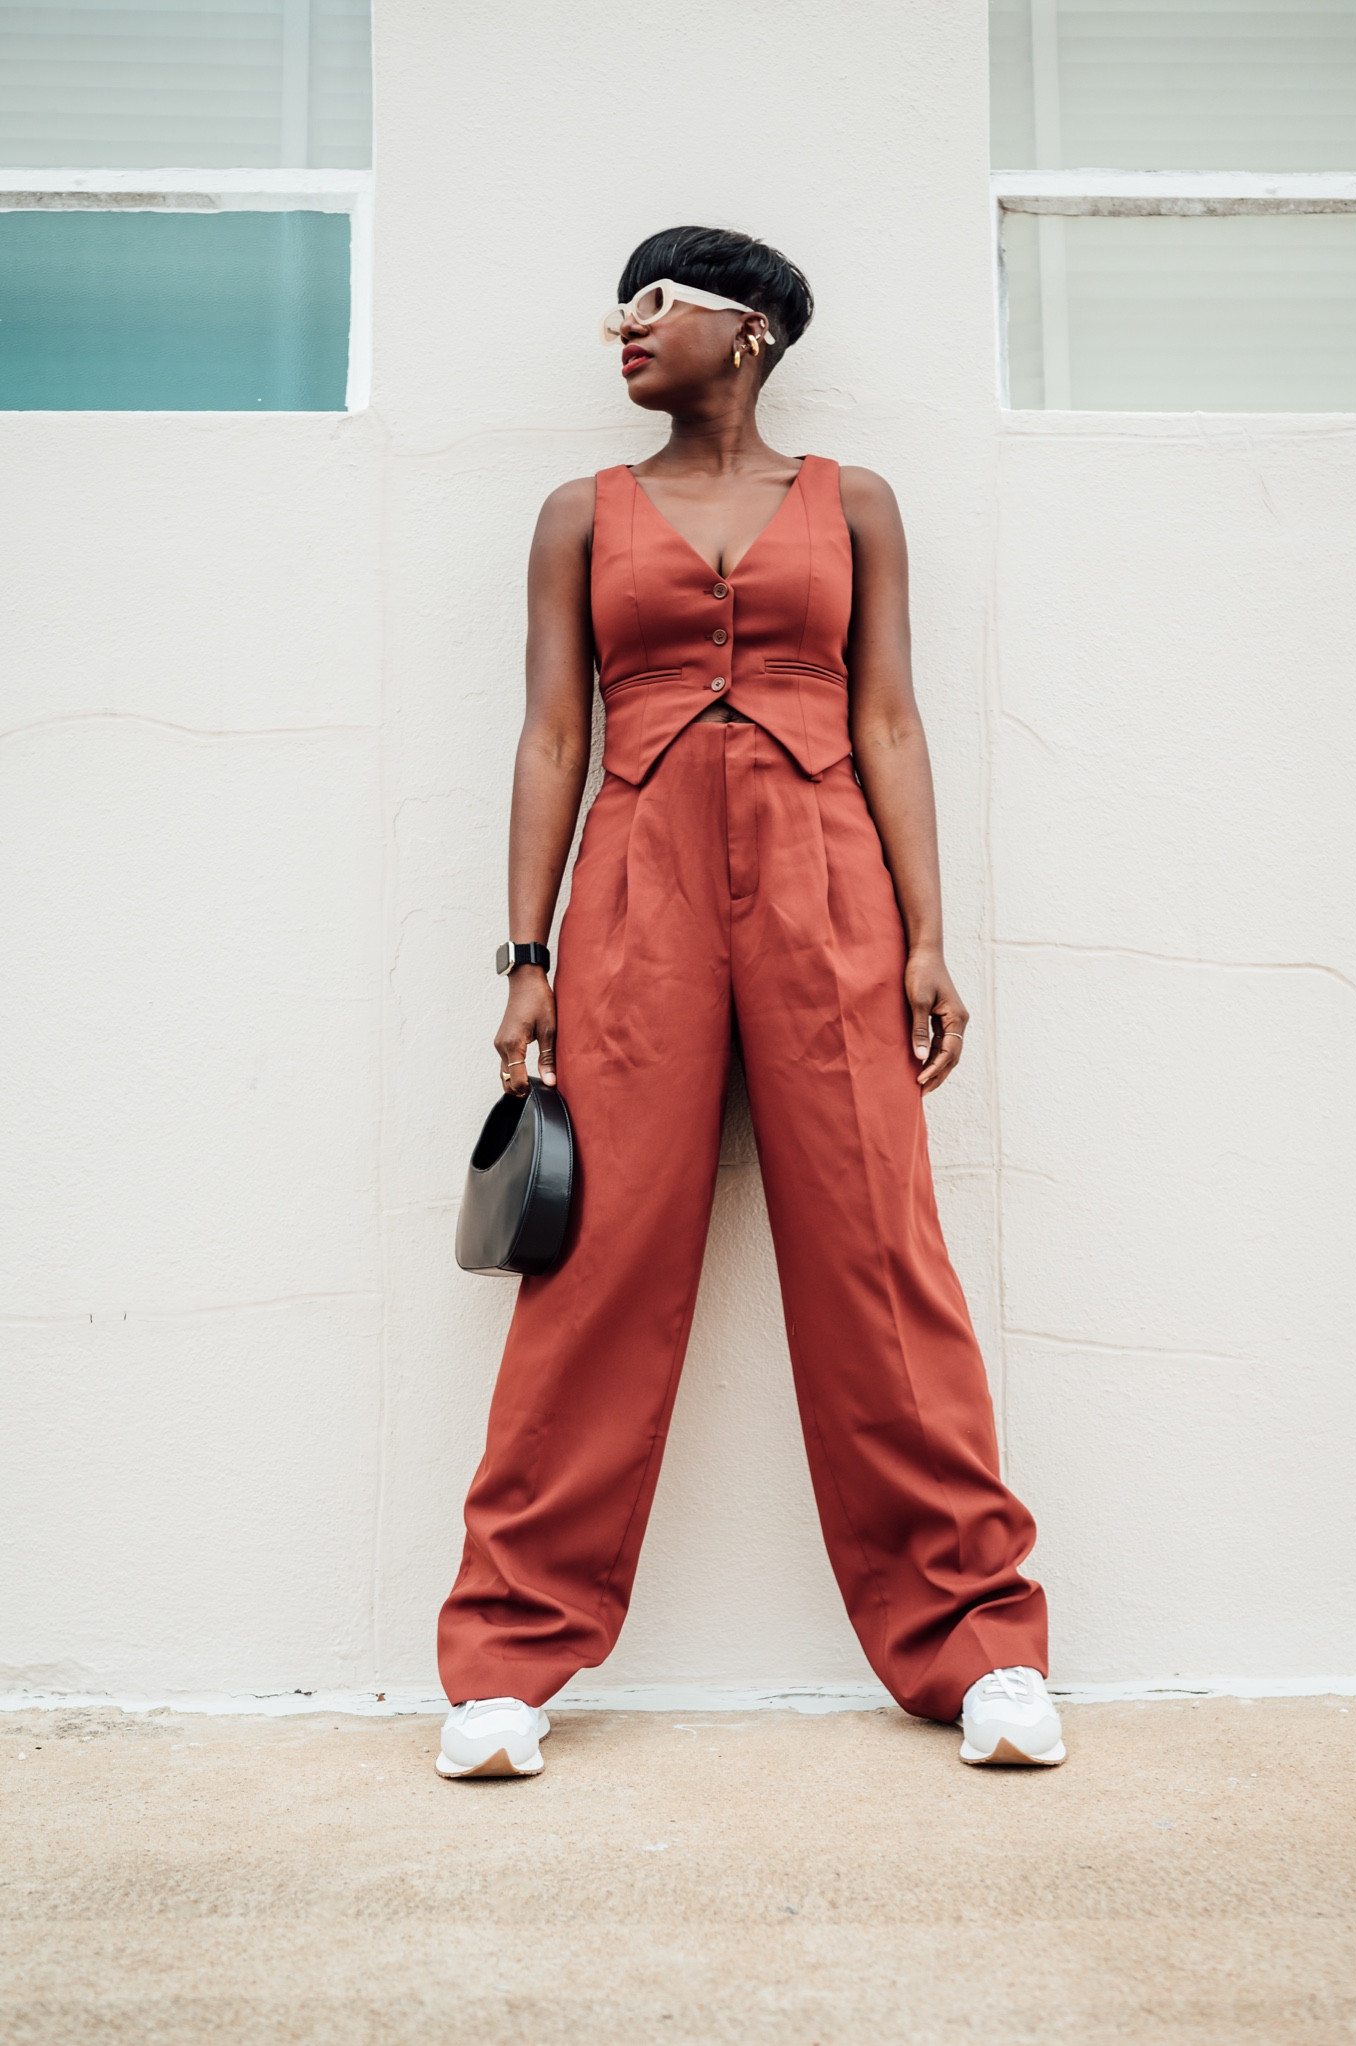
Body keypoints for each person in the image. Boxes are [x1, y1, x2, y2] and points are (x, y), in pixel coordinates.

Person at [435, 226, 1064, 1779]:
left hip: (826, 886)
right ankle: (506, 1663)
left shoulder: (854, 504)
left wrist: (924, 935)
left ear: (753, 332)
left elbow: (895, 723)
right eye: (622, 306)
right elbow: (546, 739)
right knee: (593, 1268)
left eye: (658, 306)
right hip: (638, 891)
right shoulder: (579, 516)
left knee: (879, 1257)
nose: (625, 329)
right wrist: (527, 957)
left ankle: (980, 1645)